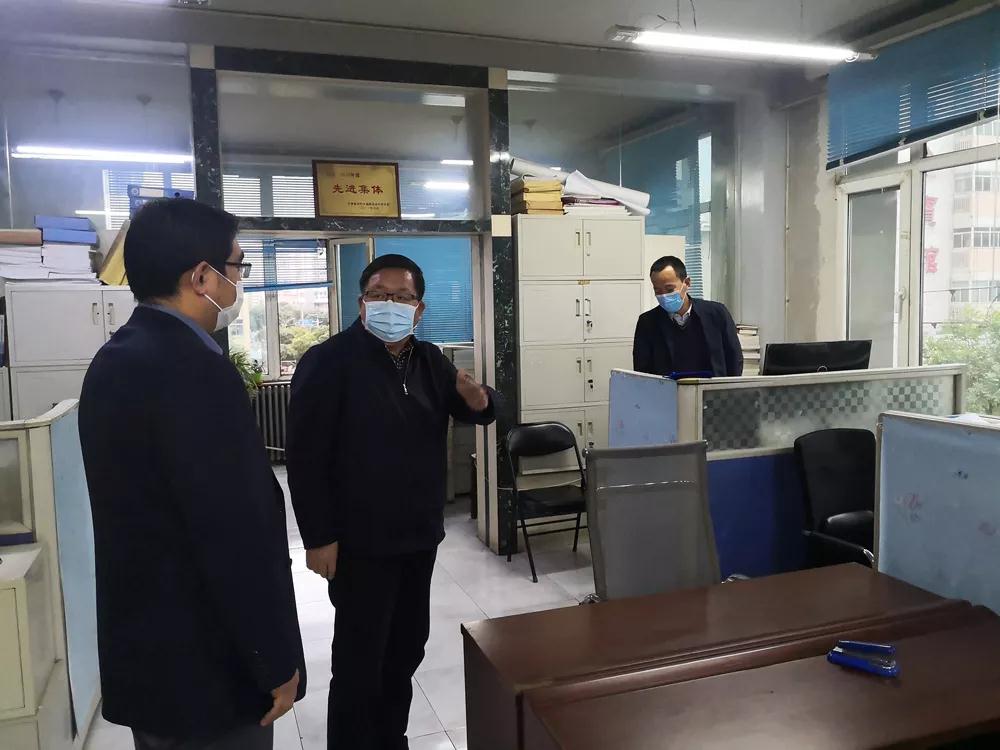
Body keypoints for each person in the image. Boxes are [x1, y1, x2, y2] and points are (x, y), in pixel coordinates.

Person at [78, 199, 305, 750]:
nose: (238, 282)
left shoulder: (115, 359)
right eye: (236, 266)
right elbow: (232, 534)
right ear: (201, 276)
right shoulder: (193, 372)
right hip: (210, 668)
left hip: (151, 659)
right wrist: (273, 658)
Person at [286, 254, 496, 750]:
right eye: (379, 295)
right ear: (361, 303)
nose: (390, 305)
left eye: (402, 297)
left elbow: (478, 408)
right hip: (360, 543)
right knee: (359, 661)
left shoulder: (430, 361)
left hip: (418, 537)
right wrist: (319, 537)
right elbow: (305, 457)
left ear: (419, 309)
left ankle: (390, 738)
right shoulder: (329, 361)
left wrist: (483, 400)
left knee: (405, 651)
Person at [633, 255, 743, 378]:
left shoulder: (717, 313)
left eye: (669, 289)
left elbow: (734, 358)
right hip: (667, 389)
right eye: (658, 291)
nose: (663, 296)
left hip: (712, 388)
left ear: (687, 283)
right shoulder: (647, 322)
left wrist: (728, 388)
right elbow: (642, 371)